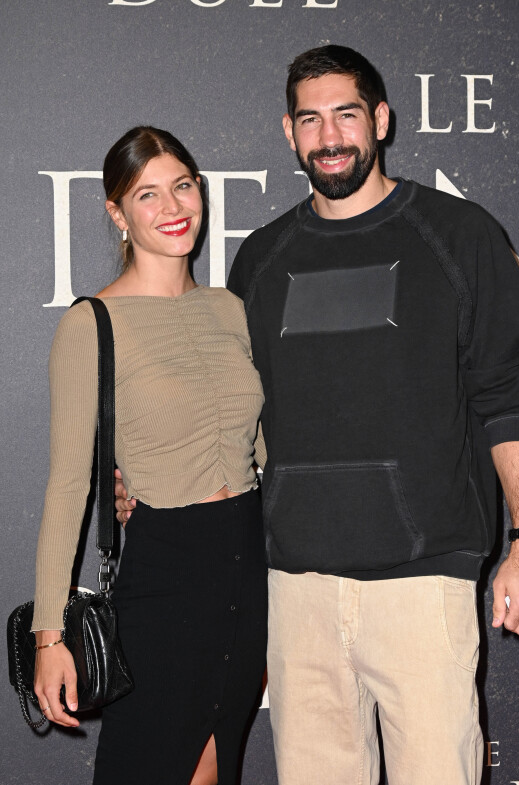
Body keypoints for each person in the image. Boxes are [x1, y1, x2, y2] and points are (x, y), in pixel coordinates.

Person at [115, 47, 519, 785]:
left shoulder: (460, 235)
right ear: (288, 132)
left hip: (423, 584)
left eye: (346, 114)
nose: (329, 136)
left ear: (380, 119)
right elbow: (227, 411)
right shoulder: (260, 259)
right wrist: (155, 481)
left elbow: (509, 393)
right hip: (294, 589)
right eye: (310, 119)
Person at [32, 126, 267, 785]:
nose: (173, 207)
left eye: (183, 186)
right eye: (148, 194)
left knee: (213, 766)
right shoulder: (92, 324)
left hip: (248, 572)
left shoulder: (232, 310)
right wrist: (50, 637)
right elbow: (67, 485)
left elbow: (265, 453)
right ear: (118, 213)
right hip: (165, 576)